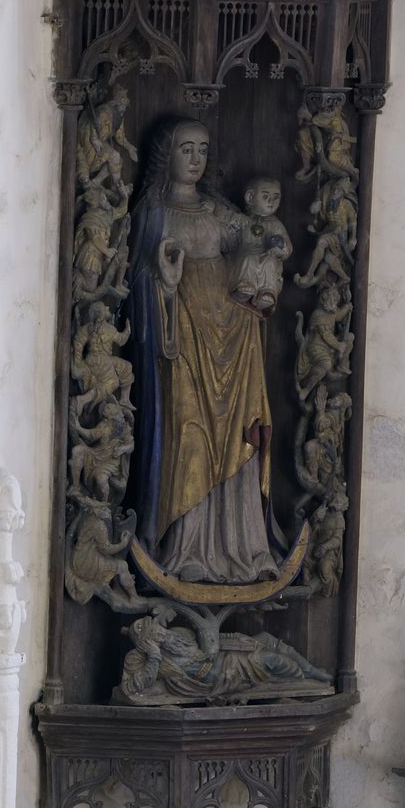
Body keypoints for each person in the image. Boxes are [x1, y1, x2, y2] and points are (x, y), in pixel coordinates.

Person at [129, 118, 281, 587]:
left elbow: (256, 239)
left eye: (202, 149)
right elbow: (134, 284)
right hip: (181, 337)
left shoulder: (219, 212)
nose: (195, 159)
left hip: (234, 335)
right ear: (167, 155)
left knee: (239, 436)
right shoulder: (154, 213)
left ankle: (243, 548)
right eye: (186, 149)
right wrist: (165, 284)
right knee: (188, 435)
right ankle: (186, 548)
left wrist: (268, 251)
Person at [230, 177, 290, 314]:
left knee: (270, 263)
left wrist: (282, 250)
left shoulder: (276, 225)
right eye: (265, 196)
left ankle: (267, 293)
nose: (271, 202)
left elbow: (287, 246)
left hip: (268, 255)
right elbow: (229, 237)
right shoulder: (243, 220)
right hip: (246, 254)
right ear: (250, 197)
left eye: (276, 197)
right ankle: (244, 288)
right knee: (248, 259)